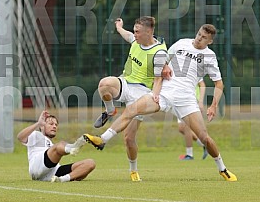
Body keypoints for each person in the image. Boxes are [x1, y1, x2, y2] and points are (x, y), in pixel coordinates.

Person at [83, 24, 237, 182]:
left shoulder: (209, 57)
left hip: (186, 99)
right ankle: (102, 139)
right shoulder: (182, 43)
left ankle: (222, 169)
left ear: (210, 41)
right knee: (131, 110)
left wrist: (213, 105)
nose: (199, 38)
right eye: (198, 34)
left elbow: (219, 84)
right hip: (164, 94)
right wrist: (163, 67)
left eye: (204, 37)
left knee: (204, 137)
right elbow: (163, 58)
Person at [93, 16, 167, 181]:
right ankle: (110, 110)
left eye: (138, 32)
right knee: (104, 84)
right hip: (126, 83)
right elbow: (127, 35)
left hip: (142, 93)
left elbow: (158, 79)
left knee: (128, 138)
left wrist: (154, 94)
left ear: (148, 32)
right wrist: (119, 27)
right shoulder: (135, 40)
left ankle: (133, 170)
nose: (135, 34)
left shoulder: (159, 53)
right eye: (134, 31)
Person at [17, 110, 95, 183]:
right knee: (59, 145)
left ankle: (62, 179)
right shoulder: (36, 135)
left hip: (52, 172)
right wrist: (38, 123)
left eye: (56, 125)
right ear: (42, 126)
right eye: (51, 124)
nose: (54, 126)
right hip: (37, 166)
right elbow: (20, 137)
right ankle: (72, 148)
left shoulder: (52, 144)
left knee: (90, 163)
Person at [178, 79, 208, 160]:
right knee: (181, 129)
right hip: (179, 101)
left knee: (186, 127)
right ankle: (205, 145)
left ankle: (189, 155)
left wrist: (200, 101)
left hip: (191, 101)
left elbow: (202, 85)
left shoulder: (193, 68)